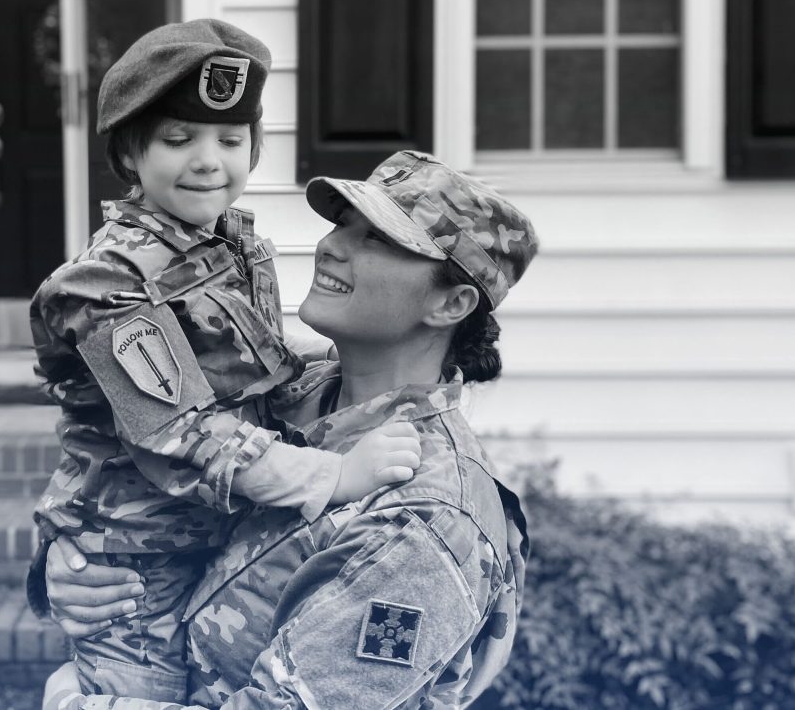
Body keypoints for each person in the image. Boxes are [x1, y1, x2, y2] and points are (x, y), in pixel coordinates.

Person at [37, 150, 538, 710]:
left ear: (452, 303)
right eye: (342, 225)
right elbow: (136, 469)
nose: (332, 246)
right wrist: (78, 566)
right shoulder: (286, 396)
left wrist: (72, 702)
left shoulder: (424, 524)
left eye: (376, 240)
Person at [29, 20, 421, 704]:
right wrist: (337, 473)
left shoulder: (231, 245)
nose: (209, 160)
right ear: (129, 152)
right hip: (134, 566)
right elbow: (182, 434)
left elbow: (265, 375)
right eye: (179, 140)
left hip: (210, 534)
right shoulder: (107, 283)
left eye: (232, 140)